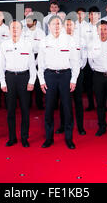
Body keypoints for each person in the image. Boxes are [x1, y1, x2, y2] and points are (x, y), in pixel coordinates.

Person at [38, 16, 80, 149]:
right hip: (49, 76)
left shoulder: (70, 40)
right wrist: (41, 80)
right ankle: (49, 138)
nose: (56, 27)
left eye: (58, 24)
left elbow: (75, 62)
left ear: (61, 26)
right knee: (49, 108)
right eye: (53, 24)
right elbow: (40, 63)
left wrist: (73, 79)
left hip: (65, 76)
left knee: (67, 108)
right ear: (48, 27)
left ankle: (69, 138)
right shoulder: (44, 41)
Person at [0, 21, 36, 147]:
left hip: (24, 78)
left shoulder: (27, 44)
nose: (15, 30)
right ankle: (12, 137)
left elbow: (32, 65)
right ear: (9, 30)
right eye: (13, 28)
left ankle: (24, 137)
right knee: (10, 110)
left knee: (25, 110)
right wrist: (2, 82)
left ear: (22, 30)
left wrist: (32, 81)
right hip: (9, 78)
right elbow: (1, 65)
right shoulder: (4, 44)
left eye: (17, 28)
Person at [56, 19, 86, 136]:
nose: (69, 27)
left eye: (71, 25)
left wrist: (76, 71)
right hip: (63, 74)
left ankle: (80, 127)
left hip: (78, 73)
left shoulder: (81, 40)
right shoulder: (60, 39)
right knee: (63, 101)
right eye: (67, 25)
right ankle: (63, 126)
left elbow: (84, 58)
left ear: (75, 26)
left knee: (78, 101)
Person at [22, 16, 46, 109]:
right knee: (28, 80)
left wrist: (35, 62)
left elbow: (42, 49)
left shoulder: (41, 33)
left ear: (35, 22)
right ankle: (28, 103)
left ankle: (39, 103)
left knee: (38, 81)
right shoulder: (24, 33)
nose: (28, 23)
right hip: (26, 57)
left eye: (30, 21)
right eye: (27, 21)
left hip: (38, 57)